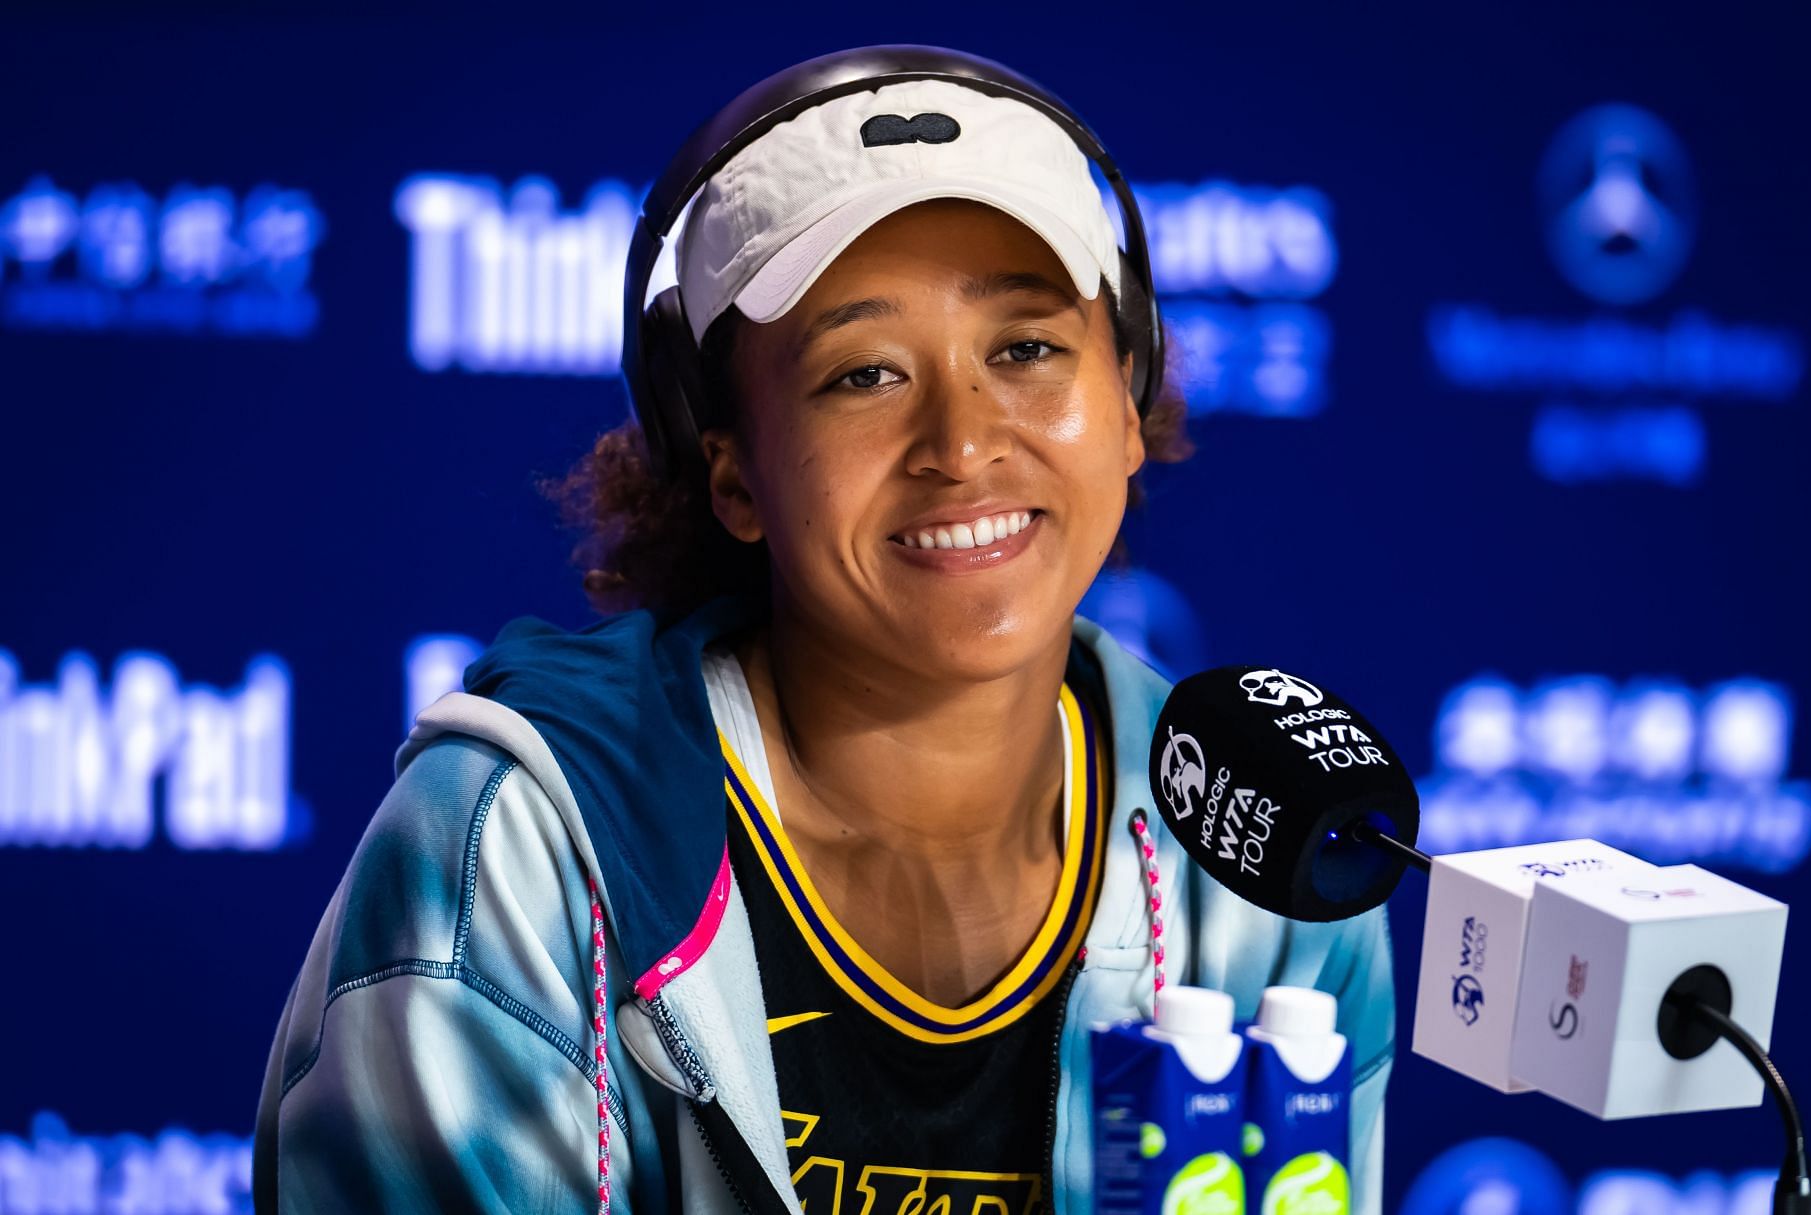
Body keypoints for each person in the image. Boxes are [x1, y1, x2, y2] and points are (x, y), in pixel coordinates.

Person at [251, 45, 1394, 1215]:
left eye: (1026, 349)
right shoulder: (523, 846)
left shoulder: (1257, 844)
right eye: (864, 374)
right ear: (733, 475)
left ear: (1129, 394)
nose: (962, 442)